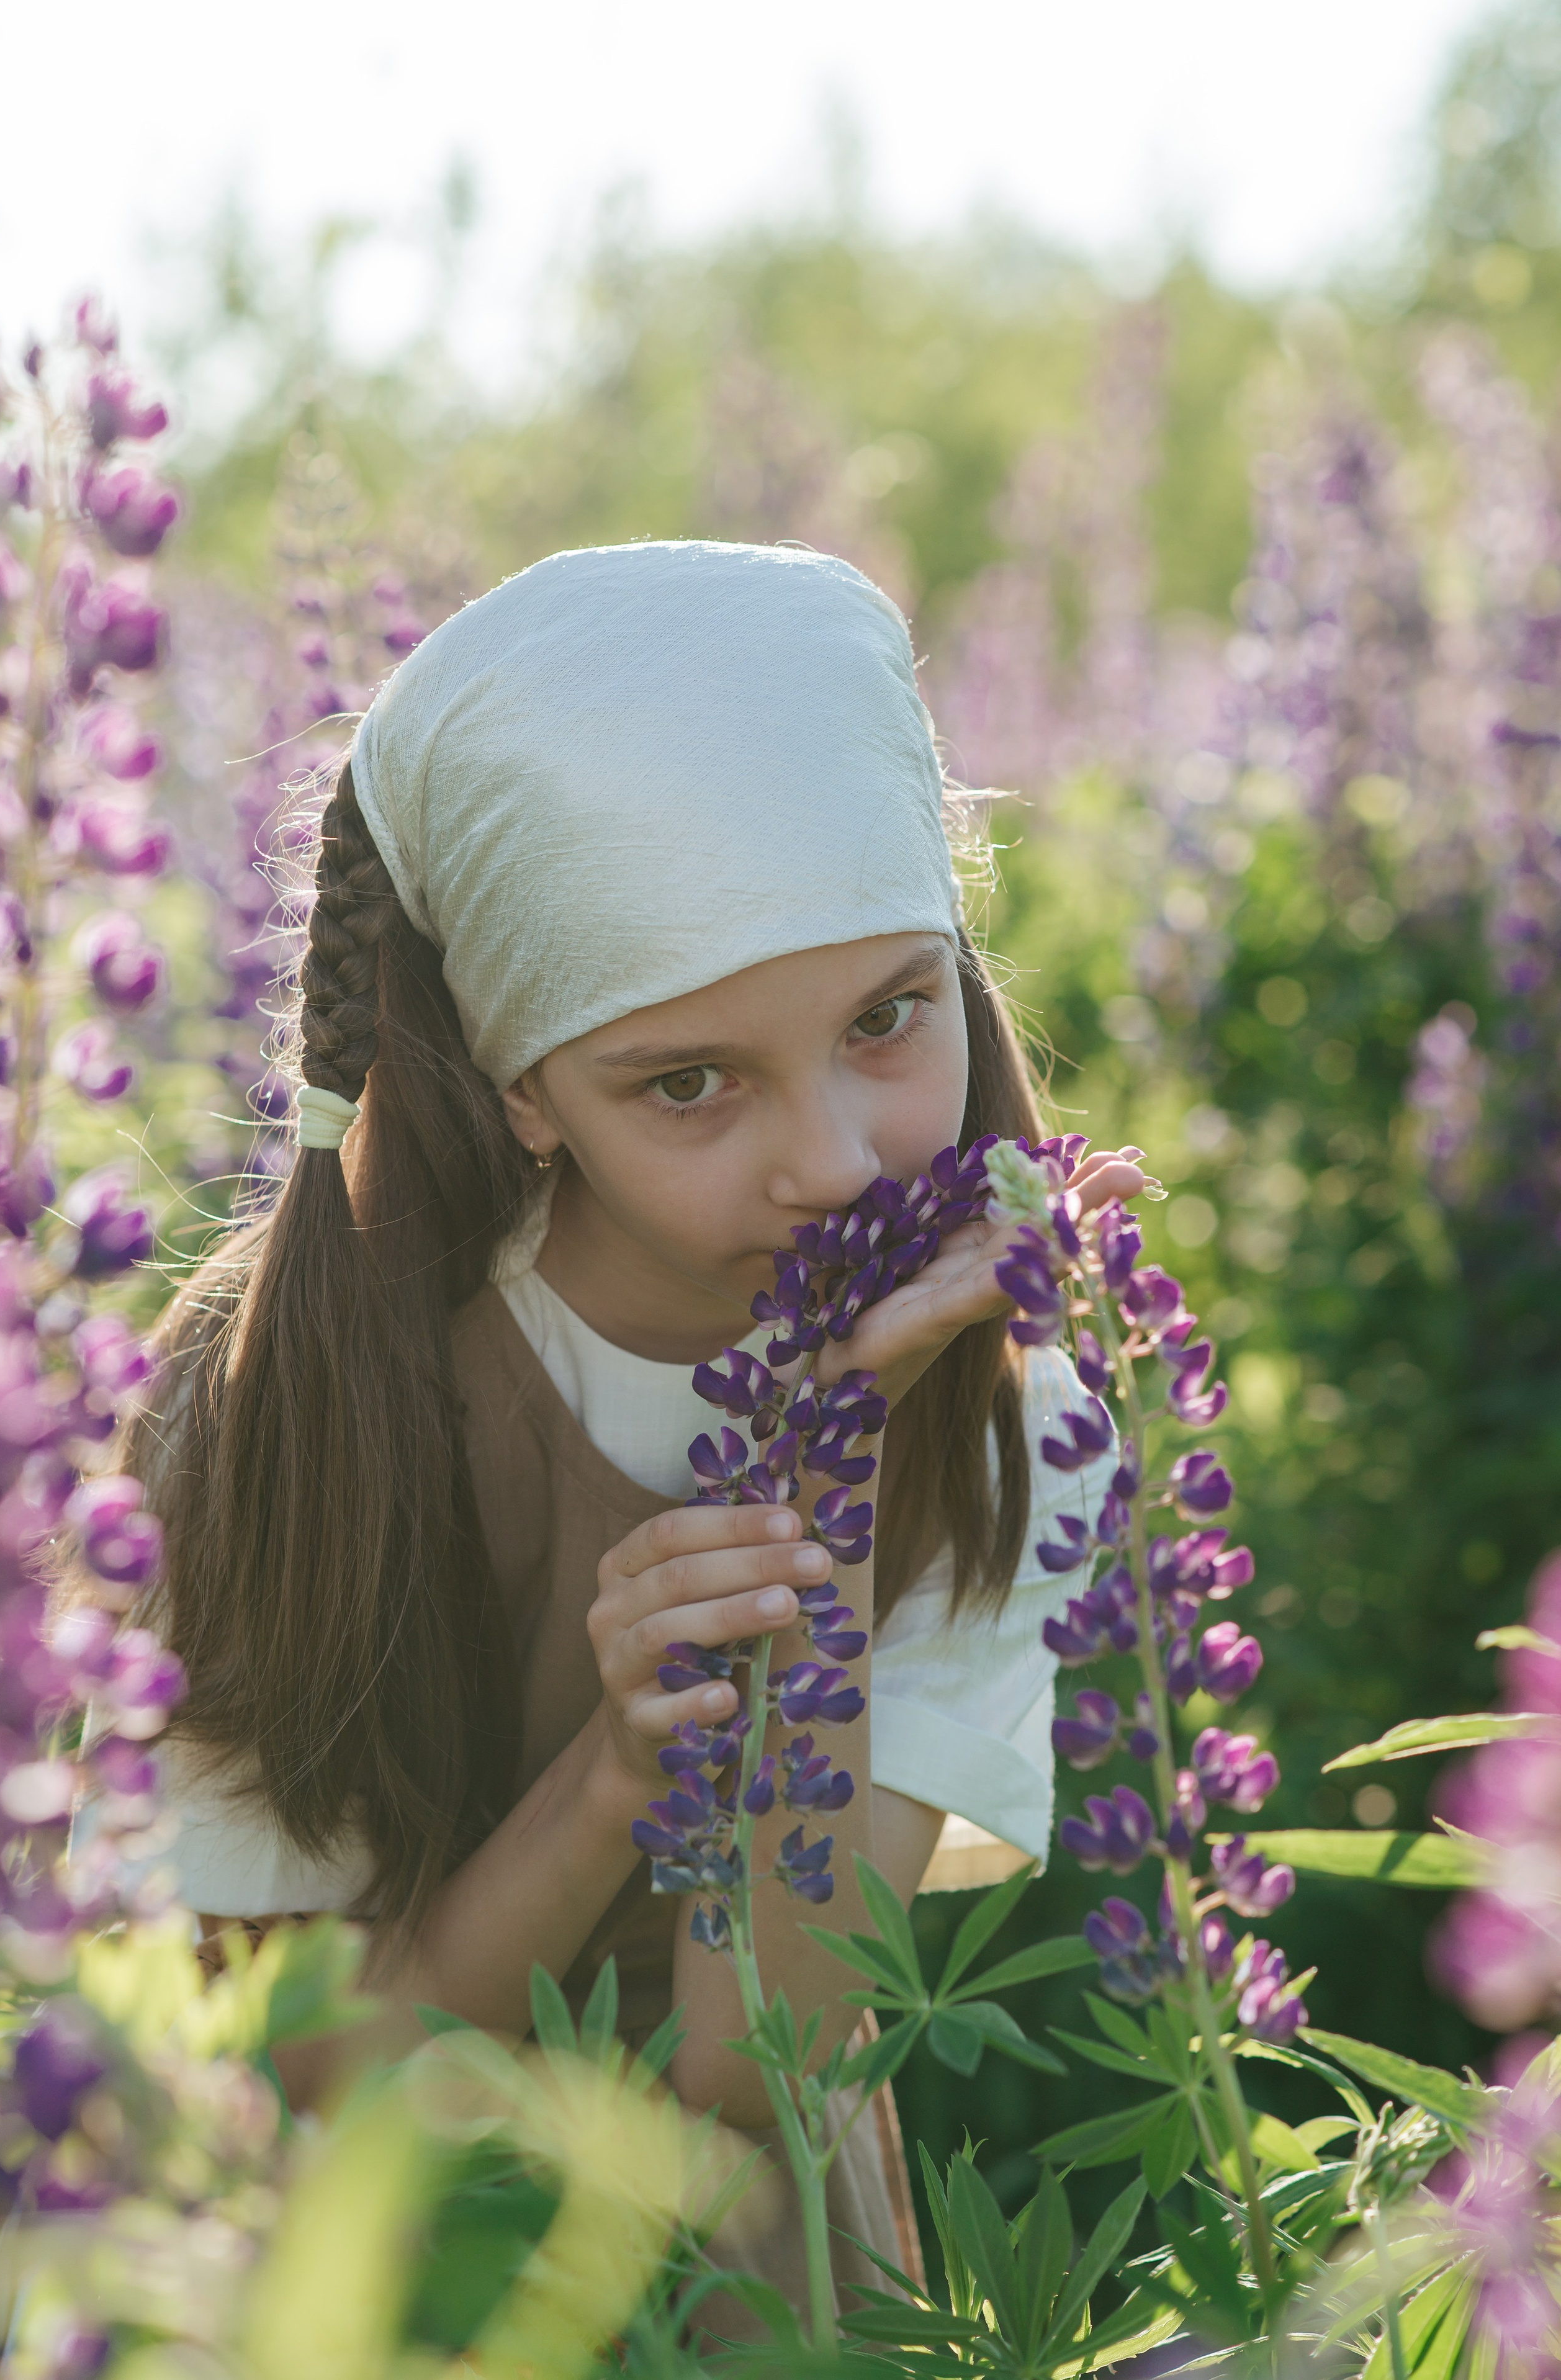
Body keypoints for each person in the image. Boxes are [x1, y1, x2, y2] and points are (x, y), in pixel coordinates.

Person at [121, 539, 1138, 2312]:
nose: (836, 1161)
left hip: (771, 2291)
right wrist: (609, 1781)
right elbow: (305, 2079)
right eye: (688, 1081)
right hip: (368, 2295)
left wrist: (829, 1473)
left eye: (889, 1017)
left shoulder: (1002, 1419)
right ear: (524, 1090)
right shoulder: (280, 1397)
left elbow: (763, 2066)